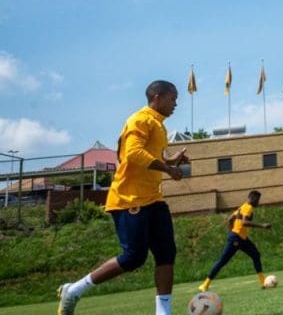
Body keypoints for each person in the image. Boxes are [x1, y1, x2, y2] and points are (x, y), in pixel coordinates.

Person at [58, 80, 188, 315]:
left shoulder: (159, 125)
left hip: (153, 199)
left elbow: (149, 155)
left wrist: (170, 160)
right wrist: (168, 170)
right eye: (173, 98)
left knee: (167, 253)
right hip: (129, 199)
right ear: (157, 97)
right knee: (133, 257)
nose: (176, 103)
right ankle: (74, 290)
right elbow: (133, 154)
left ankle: (163, 312)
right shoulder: (140, 119)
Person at [198, 190, 272, 292]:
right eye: (258, 200)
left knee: (256, 255)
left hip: (240, 238)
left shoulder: (242, 207)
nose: (258, 202)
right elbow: (245, 222)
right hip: (237, 238)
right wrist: (262, 225)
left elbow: (230, 219)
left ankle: (263, 282)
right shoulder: (249, 208)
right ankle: (205, 285)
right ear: (253, 199)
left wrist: (231, 233)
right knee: (223, 260)